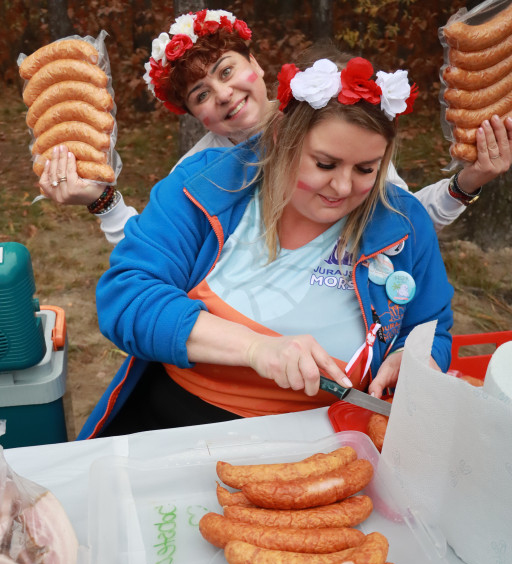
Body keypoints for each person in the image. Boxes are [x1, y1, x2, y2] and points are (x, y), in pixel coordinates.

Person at [77, 51, 454, 439]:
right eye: (325, 164)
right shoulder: (205, 186)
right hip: (177, 422)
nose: (343, 188)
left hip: (335, 437)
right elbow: (127, 299)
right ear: (280, 138)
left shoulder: (403, 224)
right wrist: (256, 349)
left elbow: (432, 328)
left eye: (366, 170)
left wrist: (412, 357)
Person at [39, 8, 512, 244]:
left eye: (225, 71)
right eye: (200, 94)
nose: (221, 94)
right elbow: (155, 256)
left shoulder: (333, 121)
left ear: (255, 62)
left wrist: (470, 181)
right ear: (192, 114)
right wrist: (102, 202)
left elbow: (401, 219)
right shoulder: (196, 170)